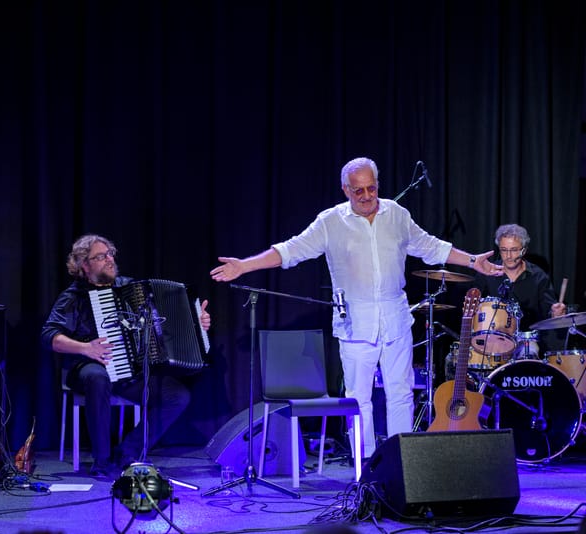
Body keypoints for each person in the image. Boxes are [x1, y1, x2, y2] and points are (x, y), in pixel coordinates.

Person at [210, 157, 502, 458]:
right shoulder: (331, 221)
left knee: (400, 393)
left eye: (371, 189)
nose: (366, 197)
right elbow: (290, 250)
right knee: (358, 398)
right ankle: (366, 466)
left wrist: (471, 260)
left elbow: (430, 246)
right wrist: (245, 266)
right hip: (355, 323)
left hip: (395, 318)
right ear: (345, 190)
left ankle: (401, 463)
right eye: (358, 191)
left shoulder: (396, 214)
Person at [41, 234, 211, 477]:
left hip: (129, 371)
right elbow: (49, 337)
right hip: (86, 367)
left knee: (178, 396)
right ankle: (102, 462)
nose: (109, 260)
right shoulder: (74, 297)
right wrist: (86, 348)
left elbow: (166, 327)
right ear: (84, 265)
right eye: (100, 257)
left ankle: (126, 453)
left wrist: (197, 322)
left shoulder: (130, 288)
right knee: (98, 378)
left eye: (110, 254)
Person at [472, 223, 566, 358]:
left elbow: (548, 312)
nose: (509, 256)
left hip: (526, 340)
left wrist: (555, 313)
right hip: (492, 338)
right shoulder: (487, 273)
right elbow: (473, 309)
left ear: (524, 250)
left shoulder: (538, 277)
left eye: (514, 250)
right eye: (504, 250)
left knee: (530, 354)